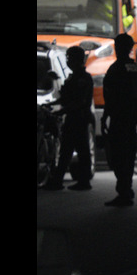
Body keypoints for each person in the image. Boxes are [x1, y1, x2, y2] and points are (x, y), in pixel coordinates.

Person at [102, 34, 137, 207]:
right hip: (131, 117)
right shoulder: (135, 68)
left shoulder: (116, 68)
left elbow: (110, 94)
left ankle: (124, 192)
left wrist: (106, 115)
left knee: (119, 156)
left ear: (118, 47)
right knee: (128, 155)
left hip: (119, 117)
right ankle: (127, 189)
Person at [43, 46, 94, 191]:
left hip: (78, 119)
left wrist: (62, 111)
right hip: (73, 118)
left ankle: (80, 181)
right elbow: (66, 98)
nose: (68, 61)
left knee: (76, 151)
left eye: (70, 58)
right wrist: (52, 104)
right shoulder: (73, 77)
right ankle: (60, 180)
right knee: (68, 151)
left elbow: (79, 102)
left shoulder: (83, 79)